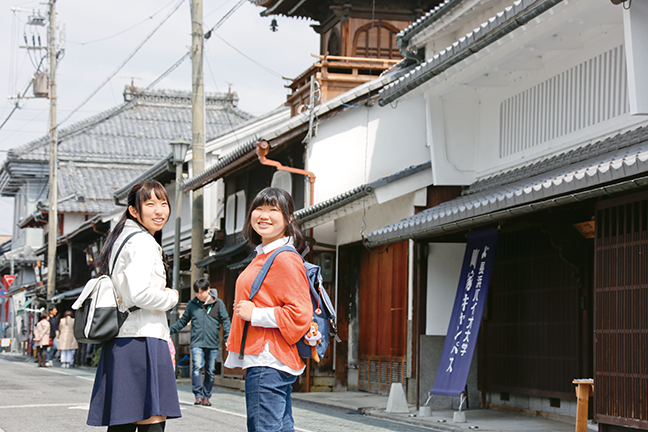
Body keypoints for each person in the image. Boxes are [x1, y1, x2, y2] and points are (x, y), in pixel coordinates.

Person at [86, 181, 180, 432]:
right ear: (134, 211)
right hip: (143, 339)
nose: (160, 210)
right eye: (150, 204)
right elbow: (140, 294)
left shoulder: (121, 239)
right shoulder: (142, 241)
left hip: (123, 340)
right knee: (151, 423)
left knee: (123, 424)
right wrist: (172, 297)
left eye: (163, 203)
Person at [225, 187, 312, 432]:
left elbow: (300, 314)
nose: (264, 215)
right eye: (259, 209)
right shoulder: (264, 254)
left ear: (289, 218)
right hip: (268, 359)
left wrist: (256, 314)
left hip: (268, 359)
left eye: (273, 210)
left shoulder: (283, 257)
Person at [169, 277, 230, 407]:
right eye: (197, 292)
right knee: (196, 368)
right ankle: (198, 395)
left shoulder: (218, 304)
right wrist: (169, 330)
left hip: (213, 343)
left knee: (210, 371)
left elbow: (225, 321)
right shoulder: (192, 304)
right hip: (196, 342)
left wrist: (227, 338)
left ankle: (207, 396)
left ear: (208, 289)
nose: (199, 295)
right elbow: (183, 321)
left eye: (201, 292)